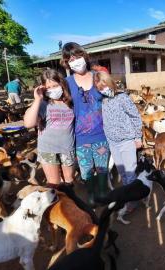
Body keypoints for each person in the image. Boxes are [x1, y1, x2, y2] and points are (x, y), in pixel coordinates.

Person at [60, 42, 110, 207]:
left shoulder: (98, 76)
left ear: (85, 56)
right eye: (70, 59)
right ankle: (91, 194)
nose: (75, 61)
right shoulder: (66, 83)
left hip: (102, 133)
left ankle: (103, 192)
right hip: (80, 137)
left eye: (78, 56)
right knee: (86, 169)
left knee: (102, 168)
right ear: (66, 63)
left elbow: (111, 99)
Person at [94, 71, 142, 212]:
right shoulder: (104, 100)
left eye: (104, 86)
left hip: (127, 141)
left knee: (130, 172)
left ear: (110, 83)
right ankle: (129, 196)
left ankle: (133, 201)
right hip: (113, 143)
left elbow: (135, 116)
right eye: (99, 88)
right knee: (122, 173)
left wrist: (137, 137)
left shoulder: (122, 97)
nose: (103, 90)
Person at [23, 69, 75, 188]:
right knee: (53, 184)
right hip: (48, 150)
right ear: (44, 88)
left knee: (69, 180)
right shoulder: (43, 104)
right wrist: (37, 99)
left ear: (62, 84)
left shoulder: (70, 102)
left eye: (55, 85)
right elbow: (28, 123)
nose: (53, 89)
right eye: (49, 87)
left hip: (68, 148)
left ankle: (69, 202)